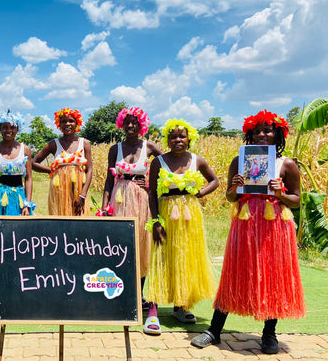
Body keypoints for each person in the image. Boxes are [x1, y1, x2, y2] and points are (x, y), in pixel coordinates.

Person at [191, 110, 305, 354]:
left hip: (274, 226)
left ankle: (269, 334)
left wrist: (280, 194)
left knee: (272, 276)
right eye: (257, 131)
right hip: (244, 225)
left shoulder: (286, 164)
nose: (262, 135)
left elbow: (296, 200)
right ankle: (214, 330)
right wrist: (237, 188)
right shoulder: (238, 161)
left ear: (278, 134)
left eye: (268, 130)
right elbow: (230, 197)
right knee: (235, 272)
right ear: (250, 135)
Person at [144, 119, 219, 335]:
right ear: (167, 140)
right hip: (167, 212)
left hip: (190, 215)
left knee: (185, 257)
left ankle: (180, 305)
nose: (178, 140)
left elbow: (214, 180)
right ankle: (153, 310)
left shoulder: (197, 160)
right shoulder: (158, 162)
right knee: (162, 257)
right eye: (173, 136)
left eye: (182, 136)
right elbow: (151, 193)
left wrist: (201, 193)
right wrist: (156, 220)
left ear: (189, 139)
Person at [99, 107, 162, 311]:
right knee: (120, 246)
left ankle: (139, 295)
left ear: (141, 124)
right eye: (127, 122)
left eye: (135, 122)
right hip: (119, 200)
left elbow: (167, 168)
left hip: (142, 201)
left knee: (141, 246)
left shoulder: (150, 147)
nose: (131, 126)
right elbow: (109, 180)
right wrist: (104, 207)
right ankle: (120, 293)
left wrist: (152, 185)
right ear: (121, 124)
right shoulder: (114, 149)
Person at [0, 111, 34, 247]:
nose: (8, 130)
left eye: (12, 127)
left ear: (18, 128)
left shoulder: (25, 150)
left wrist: (27, 203)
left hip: (18, 196)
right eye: (5, 127)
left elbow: (28, 178)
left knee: (18, 230)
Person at [32, 108, 93, 216]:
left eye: (71, 121)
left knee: (80, 218)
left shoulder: (84, 143)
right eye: (64, 121)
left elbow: (90, 170)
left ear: (77, 123)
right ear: (59, 124)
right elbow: (33, 163)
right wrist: (51, 170)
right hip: (59, 190)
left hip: (79, 191)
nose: (67, 124)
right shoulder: (54, 144)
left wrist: (83, 195)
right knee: (61, 217)